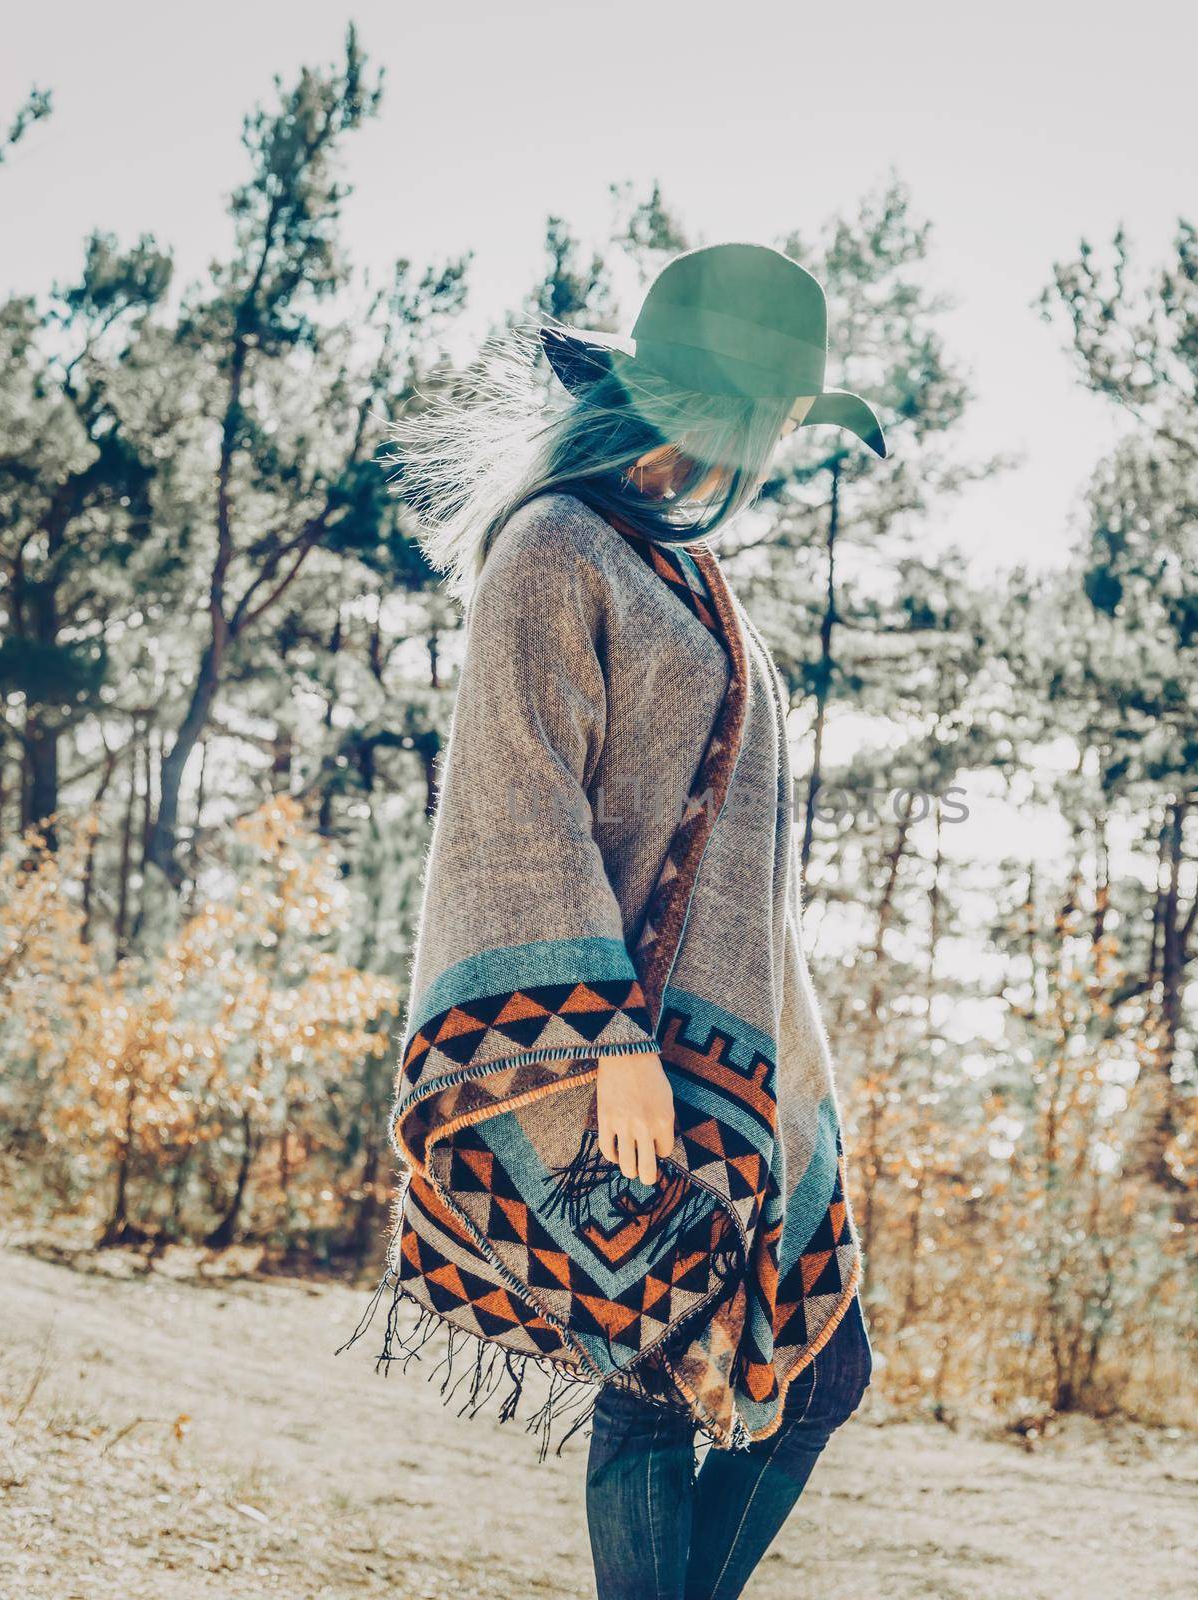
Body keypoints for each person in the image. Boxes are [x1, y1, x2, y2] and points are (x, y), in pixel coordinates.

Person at [380, 241, 889, 1600]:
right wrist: (604, 1043)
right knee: (662, 1369)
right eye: (782, 413)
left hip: (732, 1048)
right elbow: (518, 798)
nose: (784, 442)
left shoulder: (688, 572)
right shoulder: (556, 549)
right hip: (620, 1057)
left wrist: (791, 1067)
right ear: (724, 402)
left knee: (823, 1362)